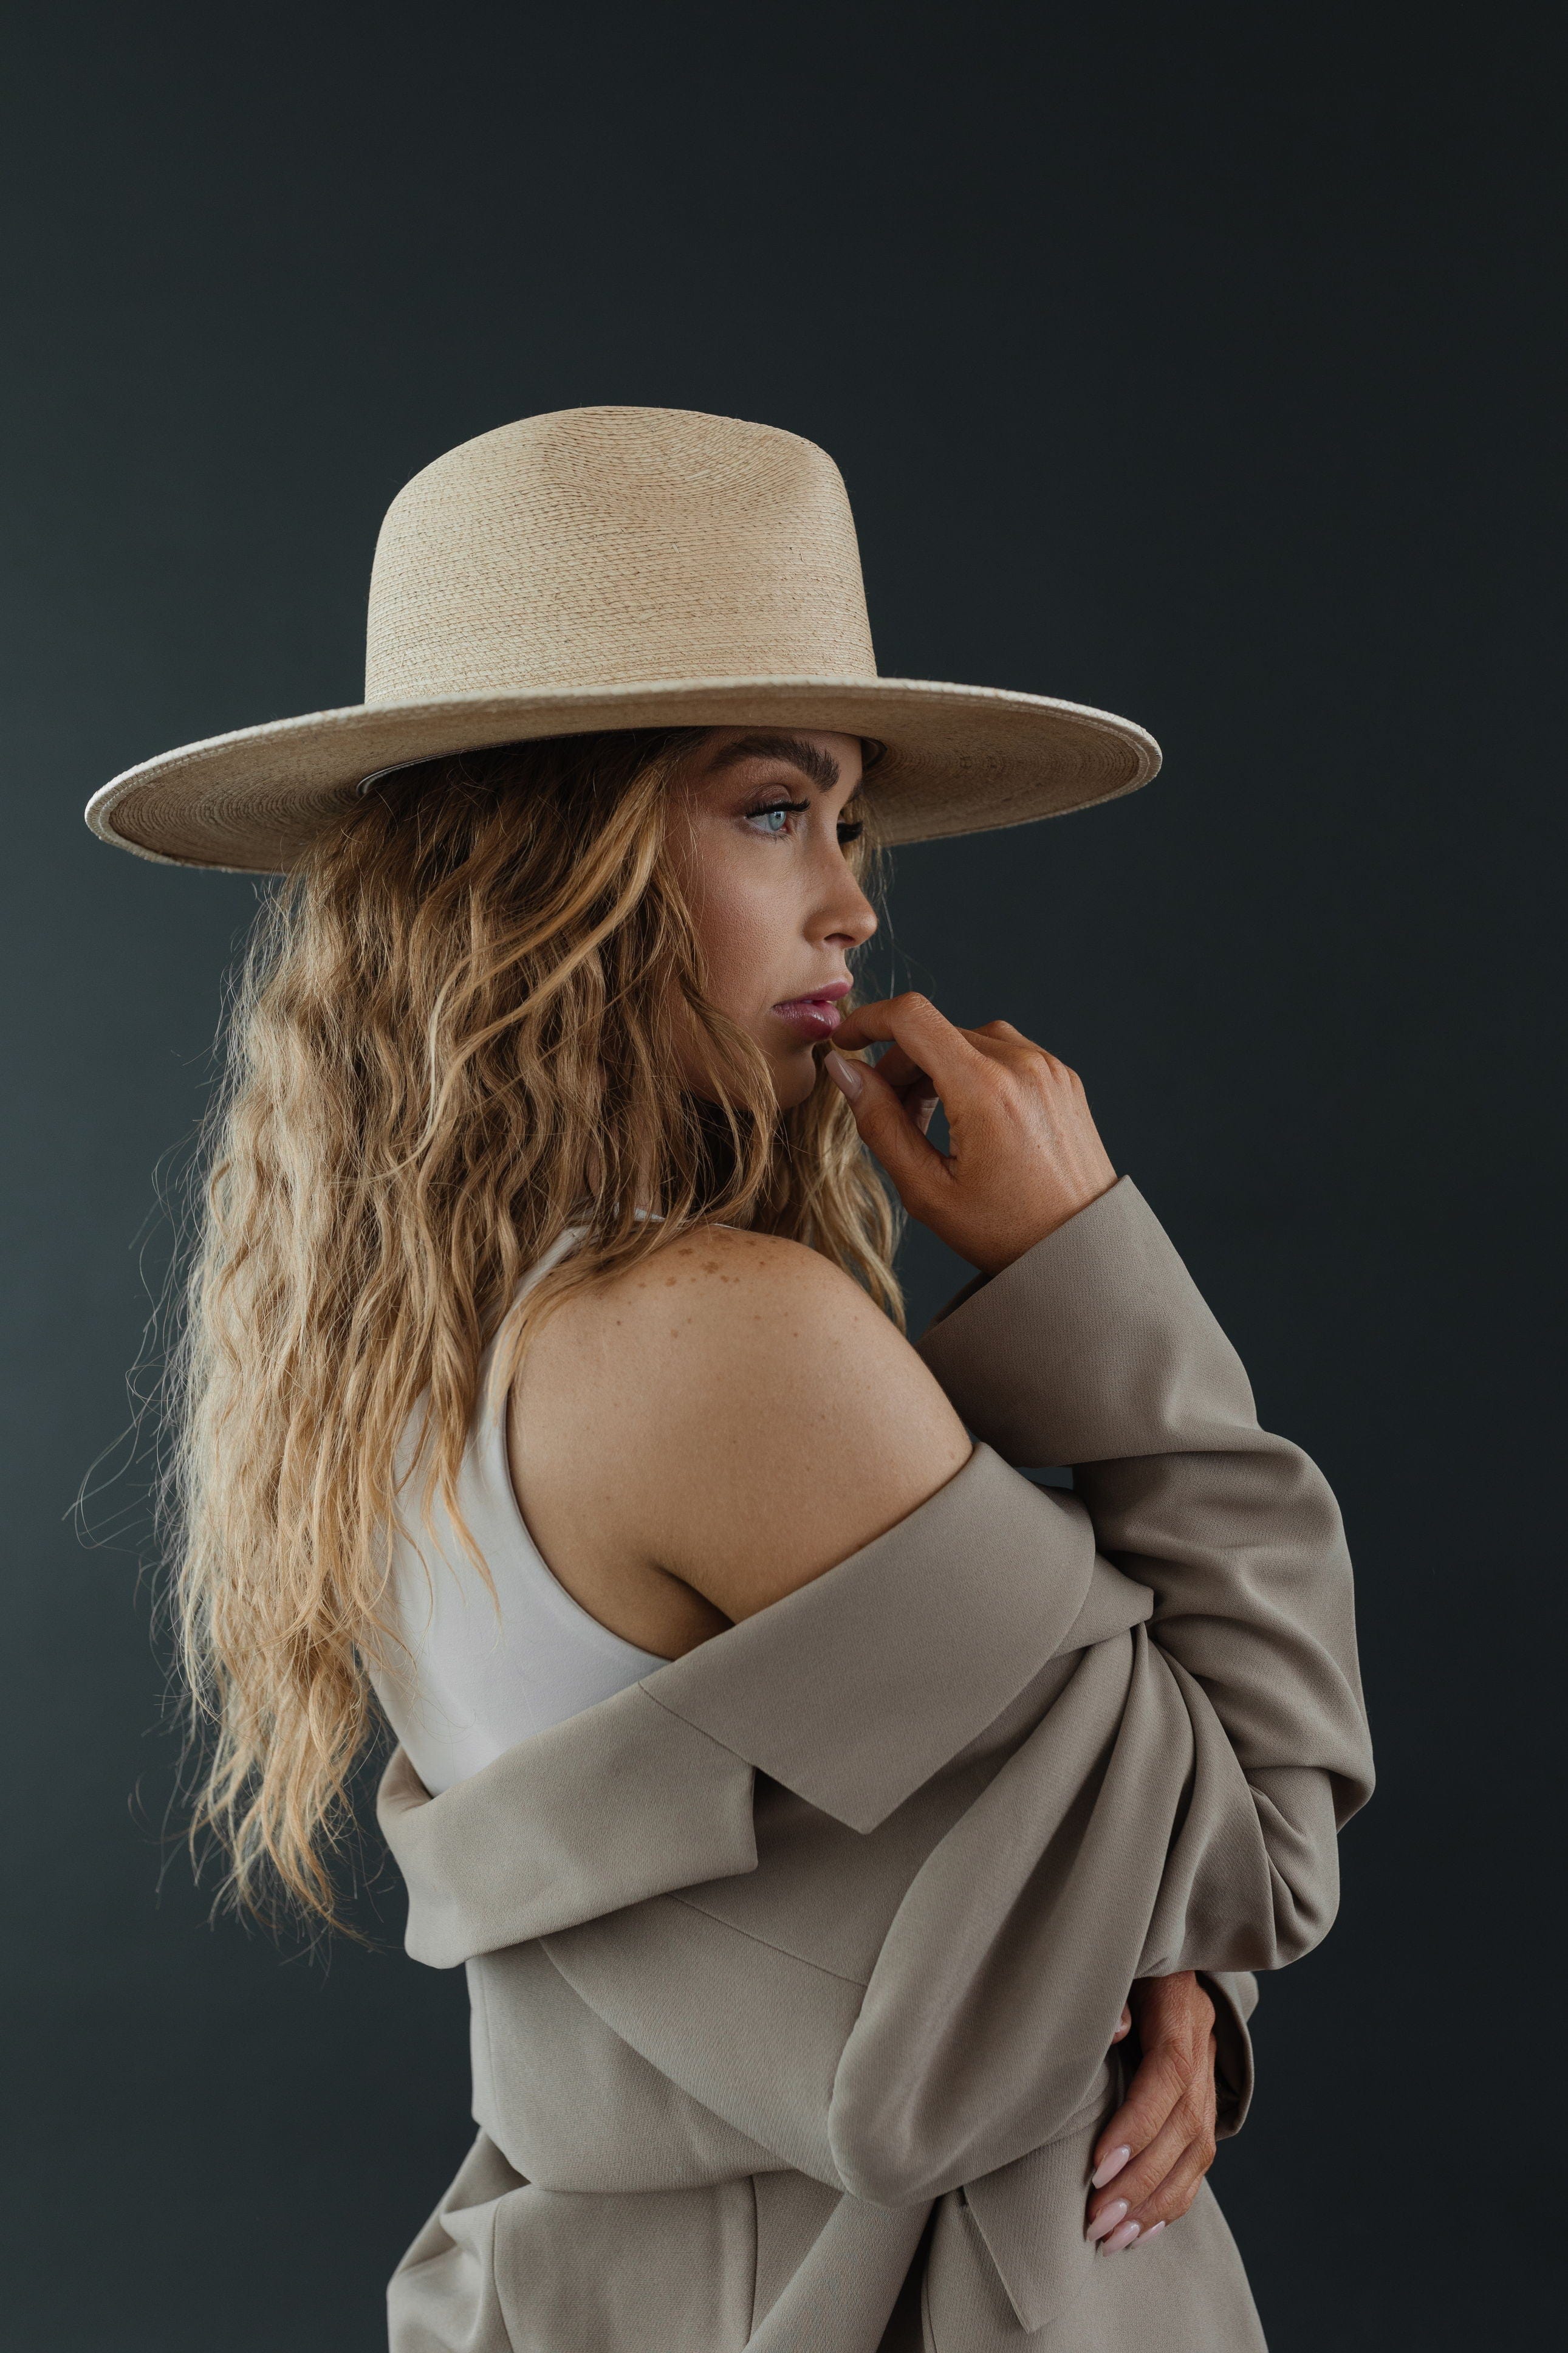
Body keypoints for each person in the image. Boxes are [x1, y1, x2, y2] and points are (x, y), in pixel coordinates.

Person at [89, 407, 1372, 2351]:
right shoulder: (726, 1341)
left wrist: (1145, 1938)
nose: (854, 903)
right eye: (775, 810)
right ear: (547, 864)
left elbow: (1011, 1872)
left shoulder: (394, 1361)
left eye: (850, 823)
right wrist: (1080, 1256)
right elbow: (1265, 1825)